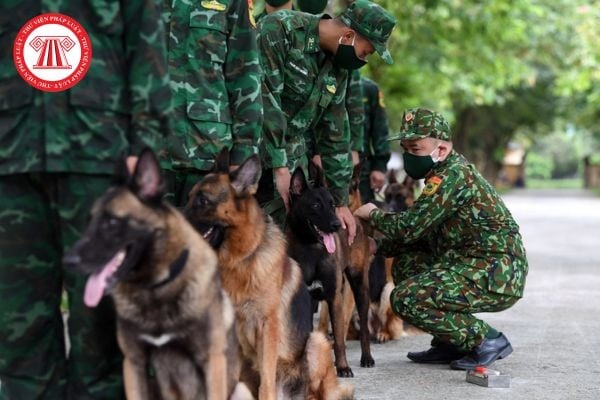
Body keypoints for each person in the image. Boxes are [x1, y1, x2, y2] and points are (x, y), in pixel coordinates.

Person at [0, 2, 170, 399]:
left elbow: (147, 46)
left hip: (100, 163)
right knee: (16, 326)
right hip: (10, 161)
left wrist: (145, 146)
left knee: (101, 325)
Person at [354, 108, 529, 370]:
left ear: (442, 149)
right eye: (405, 149)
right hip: (472, 262)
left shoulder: (452, 176)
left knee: (406, 299)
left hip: (497, 272)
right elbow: (422, 237)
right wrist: (377, 246)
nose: (408, 157)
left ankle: (486, 340)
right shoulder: (441, 175)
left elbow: (410, 227)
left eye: (415, 149)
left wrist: (374, 214)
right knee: (406, 264)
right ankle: (451, 341)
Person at [255, 0, 396, 243]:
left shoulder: (339, 68)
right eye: (367, 51)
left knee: (277, 243)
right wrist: (279, 167)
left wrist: (340, 202)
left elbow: (335, 133)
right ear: (349, 35)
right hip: (250, 154)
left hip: (291, 161)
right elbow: (265, 101)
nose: (365, 59)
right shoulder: (280, 29)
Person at [161, 0, 263, 207]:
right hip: (147, 152)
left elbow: (246, 76)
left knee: (203, 237)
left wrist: (242, 154)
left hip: (207, 154)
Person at [358, 76, 390, 204]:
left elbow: (380, 129)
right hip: (325, 164)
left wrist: (379, 166)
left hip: (362, 169)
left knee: (363, 213)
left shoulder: (369, 88)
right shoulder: (326, 78)